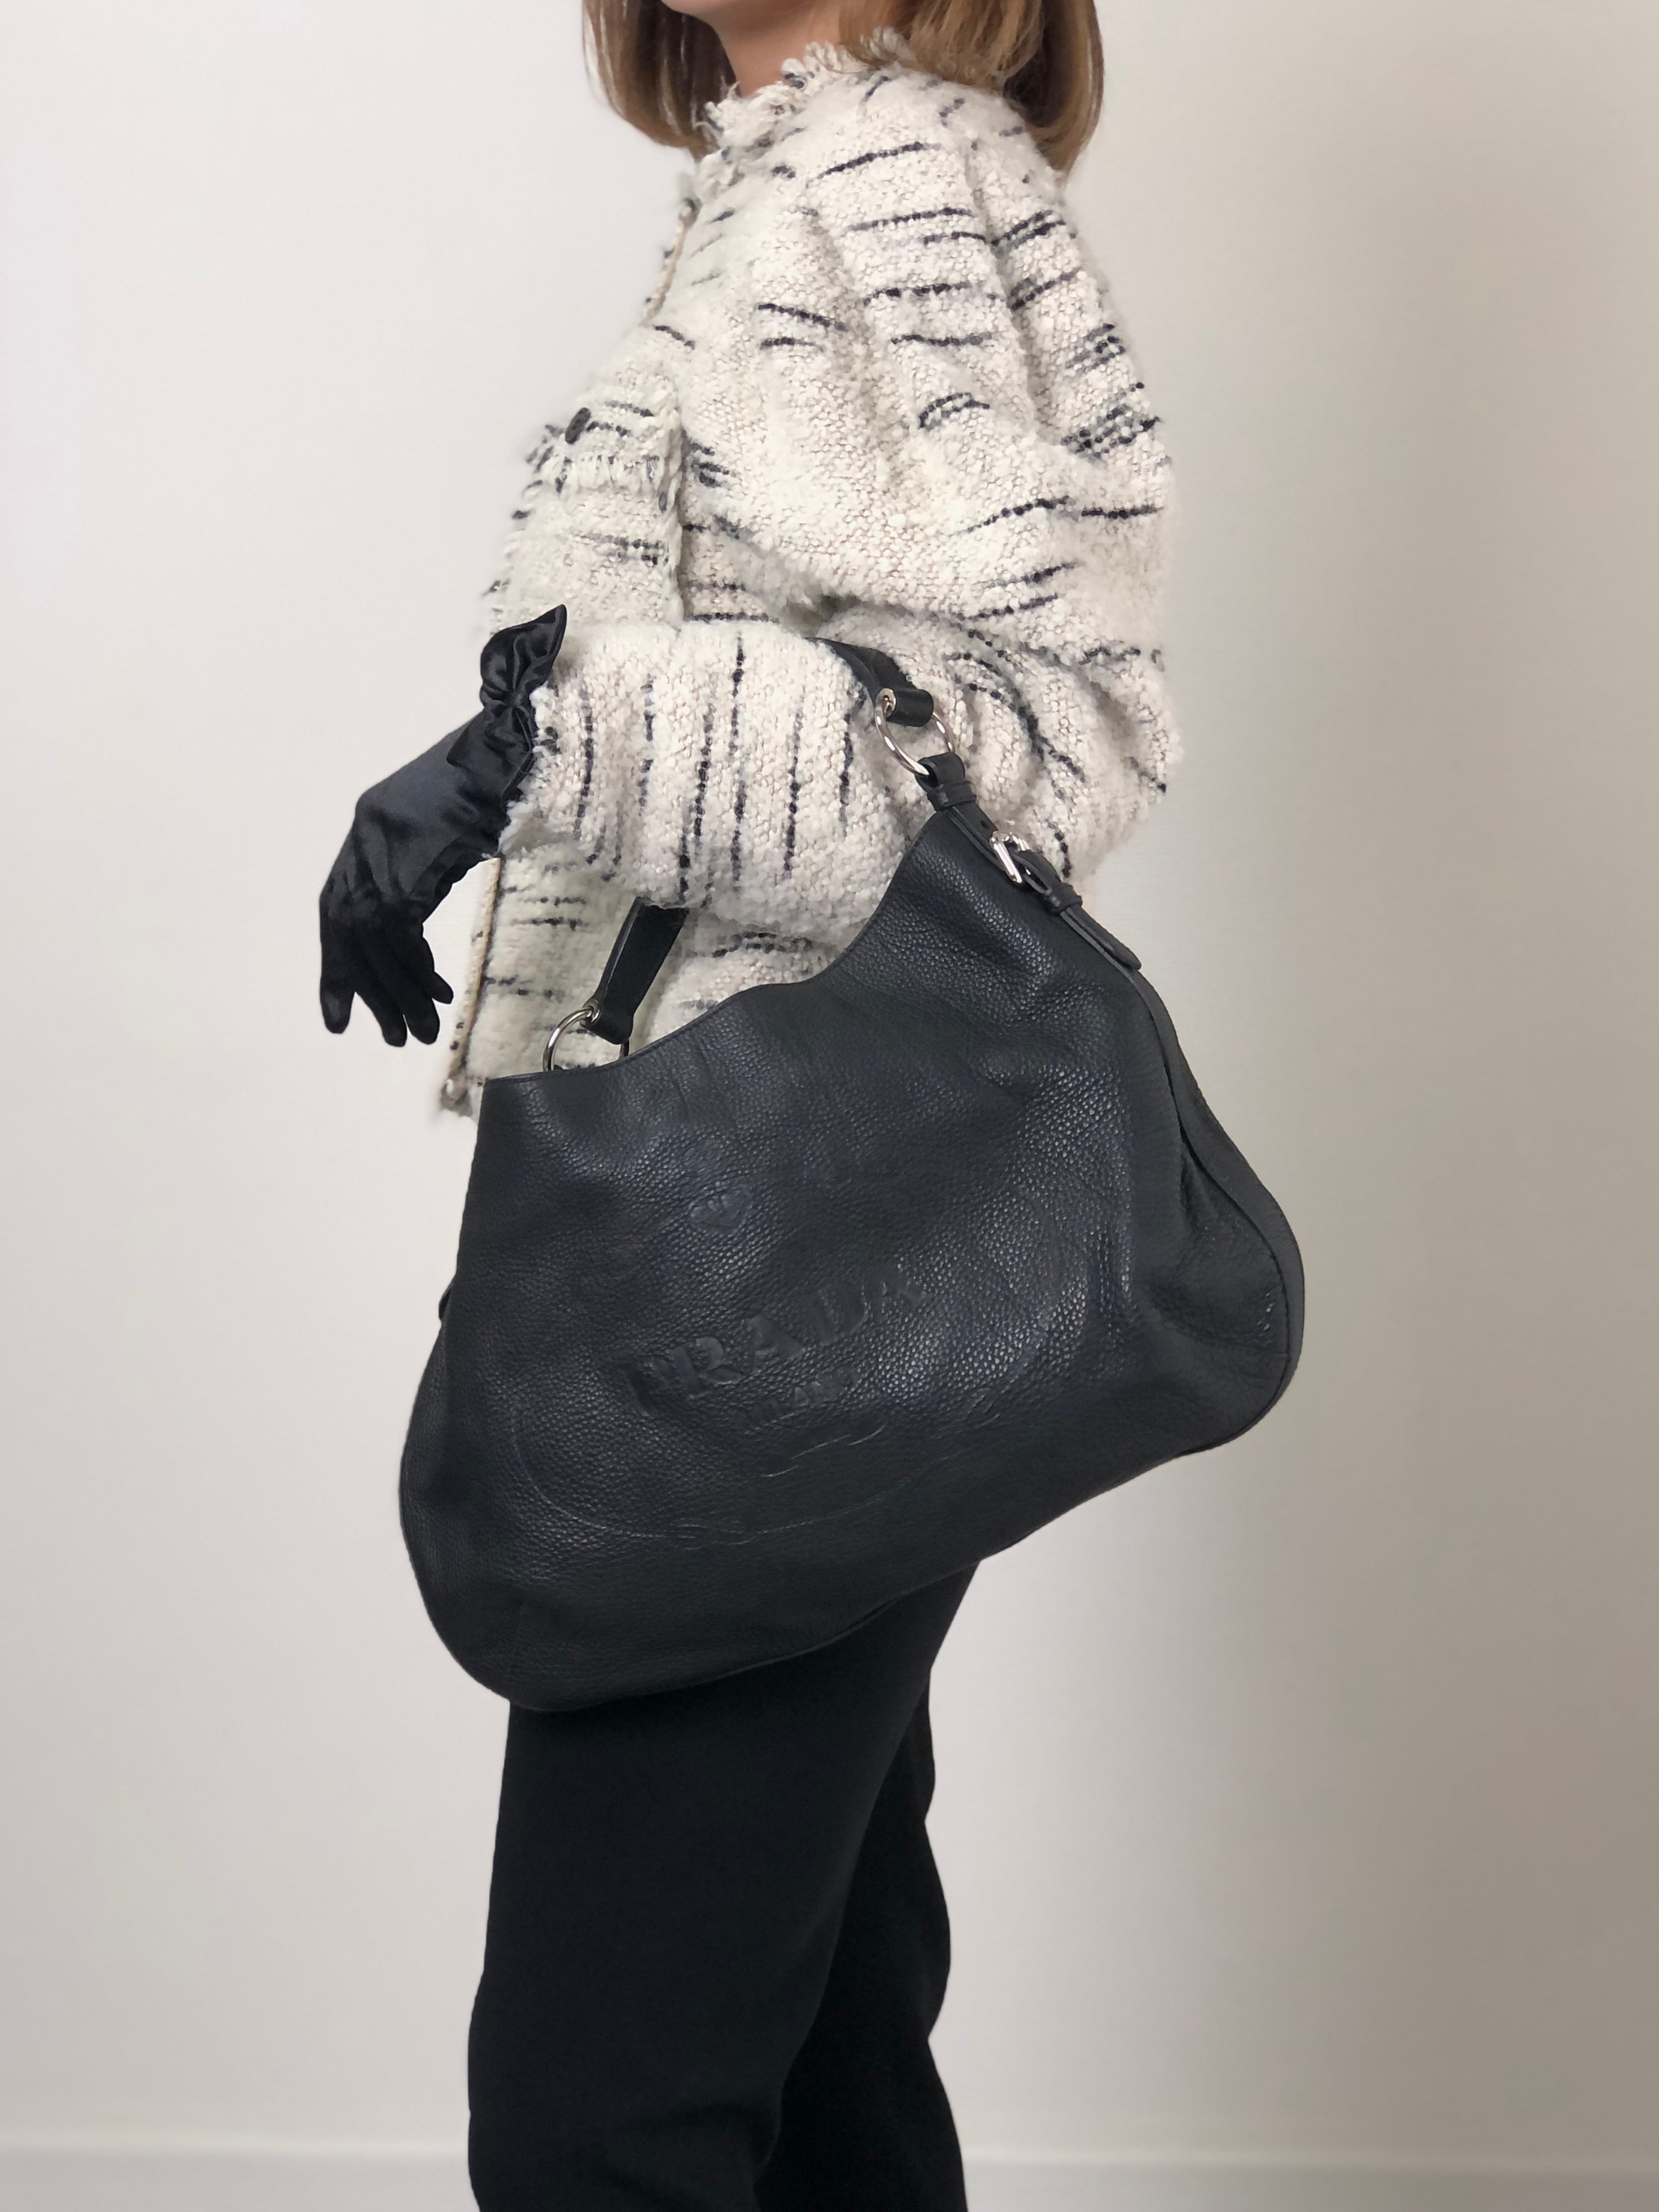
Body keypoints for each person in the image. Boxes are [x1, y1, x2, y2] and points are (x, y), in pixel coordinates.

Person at [319, 1, 1178, 2202]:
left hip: (796, 1261)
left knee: (606, 2111)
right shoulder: (802, 171)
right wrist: (541, 750)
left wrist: (527, 750)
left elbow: (1037, 721)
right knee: (822, 2064)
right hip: (786, 1229)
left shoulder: (893, 174)